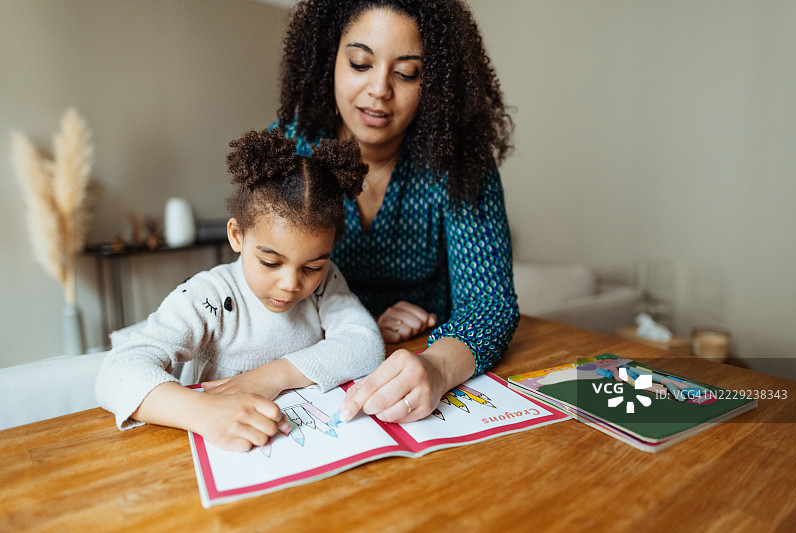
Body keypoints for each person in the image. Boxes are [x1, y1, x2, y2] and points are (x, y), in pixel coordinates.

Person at [274, 0, 519, 424]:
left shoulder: (459, 164)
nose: (380, 90)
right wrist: (364, 328)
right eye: (360, 63)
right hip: (317, 374)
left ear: (437, 83)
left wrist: (438, 365)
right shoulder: (292, 152)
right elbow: (262, 292)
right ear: (329, 59)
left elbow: (490, 304)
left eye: (407, 73)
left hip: (426, 368)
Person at [95, 129, 385, 452]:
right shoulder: (210, 296)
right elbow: (115, 373)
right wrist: (204, 412)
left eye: (311, 267)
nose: (291, 284)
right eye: (270, 262)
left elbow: (367, 344)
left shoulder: (326, 284)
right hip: (215, 450)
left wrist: (272, 377)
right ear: (237, 236)